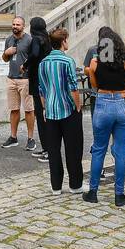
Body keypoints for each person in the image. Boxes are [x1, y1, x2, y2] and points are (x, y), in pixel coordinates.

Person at [84, 27, 125, 206]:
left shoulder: (95, 63)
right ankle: (119, 194)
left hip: (103, 102)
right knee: (121, 151)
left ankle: (93, 191)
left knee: (99, 149)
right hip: (123, 104)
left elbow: (95, 85)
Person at [37, 27, 84, 194]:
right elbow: (73, 87)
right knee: (73, 149)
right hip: (68, 109)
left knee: (53, 150)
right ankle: (75, 185)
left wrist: (44, 107)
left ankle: (56, 186)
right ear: (64, 41)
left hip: (50, 110)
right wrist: (78, 106)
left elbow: (41, 89)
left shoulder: (43, 63)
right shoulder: (67, 61)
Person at [0, 16, 38, 152]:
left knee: (28, 109)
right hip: (11, 78)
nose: (15, 26)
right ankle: (13, 137)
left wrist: (27, 68)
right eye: (14, 24)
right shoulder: (9, 39)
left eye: (18, 24)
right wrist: (6, 53)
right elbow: (4, 59)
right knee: (14, 109)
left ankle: (30, 139)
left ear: (23, 26)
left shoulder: (29, 40)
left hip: (25, 79)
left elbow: (34, 58)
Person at [25, 17, 51, 163]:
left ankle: (48, 150)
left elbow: (34, 54)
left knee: (40, 116)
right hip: (45, 79)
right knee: (44, 114)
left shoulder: (36, 39)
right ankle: (46, 148)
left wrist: (26, 64)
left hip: (36, 80)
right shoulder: (46, 39)